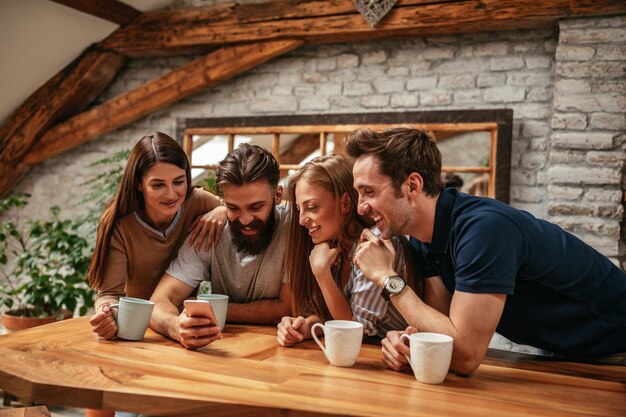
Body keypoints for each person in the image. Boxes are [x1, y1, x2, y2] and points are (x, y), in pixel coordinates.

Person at [347, 127, 626, 375]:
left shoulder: (484, 230)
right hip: (563, 351)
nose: (361, 207)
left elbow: (464, 355)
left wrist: (387, 278)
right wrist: (406, 343)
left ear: (413, 185)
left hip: (614, 348)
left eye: (368, 191)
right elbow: (442, 334)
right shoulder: (423, 237)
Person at [149, 143, 291, 349]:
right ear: (223, 202)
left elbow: (287, 308)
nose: (244, 219)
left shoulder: (295, 229)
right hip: (221, 348)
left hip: (282, 351)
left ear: (277, 195)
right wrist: (176, 326)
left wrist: (210, 308)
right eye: (233, 207)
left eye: (256, 207)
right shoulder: (210, 230)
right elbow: (159, 301)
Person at [87, 132, 225, 340]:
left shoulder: (198, 202)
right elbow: (109, 294)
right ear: (138, 184)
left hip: (189, 324)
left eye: (179, 182)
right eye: (158, 185)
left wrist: (222, 210)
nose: (171, 194)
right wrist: (106, 313)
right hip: (141, 331)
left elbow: (241, 209)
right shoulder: (119, 224)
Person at [276, 155, 422, 347]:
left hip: (393, 362)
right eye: (298, 209)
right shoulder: (331, 247)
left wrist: (321, 273)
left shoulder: (374, 244)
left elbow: (355, 330)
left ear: (345, 203)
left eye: (311, 207)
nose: (302, 220)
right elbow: (332, 314)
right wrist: (305, 326)